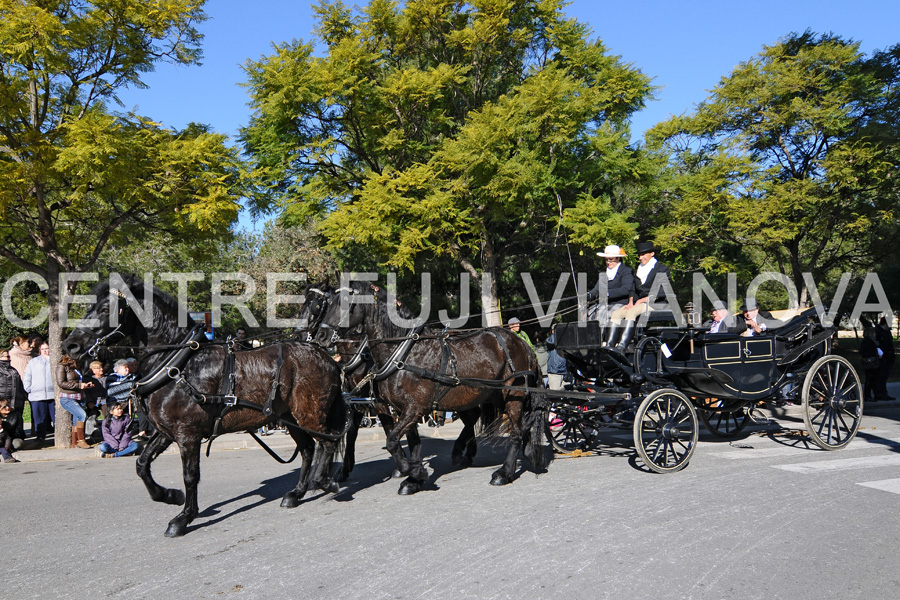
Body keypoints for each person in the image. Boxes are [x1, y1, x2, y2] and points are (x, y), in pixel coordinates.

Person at [608, 240, 671, 352]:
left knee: (632, 312)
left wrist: (643, 300)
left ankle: (622, 346)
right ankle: (610, 345)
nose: (640, 258)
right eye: (639, 255)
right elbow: (633, 289)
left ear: (652, 254)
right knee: (616, 313)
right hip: (639, 303)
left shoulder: (662, 269)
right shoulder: (638, 270)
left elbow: (663, 291)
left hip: (656, 303)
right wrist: (631, 302)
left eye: (643, 254)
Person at [587, 244, 635, 330]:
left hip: (620, 303)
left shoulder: (626, 271)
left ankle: (601, 339)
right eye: (606, 260)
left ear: (618, 258)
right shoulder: (604, 273)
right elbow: (597, 289)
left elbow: (626, 289)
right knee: (590, 312)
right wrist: (589, 295)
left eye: (611, 259)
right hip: (604, 304)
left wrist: (608, 293)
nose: (608, 262)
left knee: (602, 313)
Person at [56, 354, 93, 449]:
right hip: (67, 397)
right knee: (82, 415)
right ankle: (81, 440)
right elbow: (61, 383)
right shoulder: (62, 366)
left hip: (79, 396)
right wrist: (79, 386)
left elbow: (78, 380)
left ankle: (75, 442)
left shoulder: (77, 367)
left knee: (76, 420)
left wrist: (85, 385)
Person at [23, 342, 55, 443]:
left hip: (52, 394)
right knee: (39, 418)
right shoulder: (33, 362)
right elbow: (27, 375)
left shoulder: (55, 361)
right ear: (39, 351)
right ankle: (40, 437)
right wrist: (28, 388)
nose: (46, 351)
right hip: (37, 395)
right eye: (43, 349)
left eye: (47, 348)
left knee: (55, 417)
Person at [0, 348, 28, 440]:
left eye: (9, 356)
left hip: (16, 400)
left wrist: (23, 396)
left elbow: (20, 385)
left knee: (16, 419)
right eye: (6, 356)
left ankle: (17, 437)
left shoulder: (13, 370)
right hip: (3, 401)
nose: (9, 358)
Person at [874, 317, 896, 402]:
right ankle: (879, 393)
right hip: (882, 357)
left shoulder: (887, 332)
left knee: (885, 376)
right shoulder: (878, 331)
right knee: (880, 376)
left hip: (889, 356)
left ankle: (883, 393)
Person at [859, 326, 881, 402]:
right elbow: (863, 352)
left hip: (871, 361)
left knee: (871, 379)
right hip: (870, 362)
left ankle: (871, 394)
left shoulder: (871, 341)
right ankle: (867, 395)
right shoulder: (868, 341)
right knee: (869, 379)